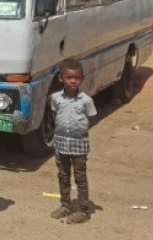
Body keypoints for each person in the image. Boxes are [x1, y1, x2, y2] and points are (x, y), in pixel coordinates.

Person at [49, 59, 97, 225]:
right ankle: (65, 205)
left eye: (77, 77)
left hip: (79, 144)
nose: (73, 81)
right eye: (69, 77)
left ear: (82, 78)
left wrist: (80, 129)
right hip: (61, 142)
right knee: (63, 175)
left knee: (80, 177)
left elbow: (91, 116)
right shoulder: (55, 98)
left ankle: (83, 210)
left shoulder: (86, 100)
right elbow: (55, 114)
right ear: (61, 78)